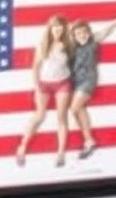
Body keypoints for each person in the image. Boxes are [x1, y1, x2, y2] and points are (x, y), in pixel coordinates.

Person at [69, 14, 116, 160]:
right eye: (78, 33)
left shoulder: (93, 42)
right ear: (74, 35)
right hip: (76, 81)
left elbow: (108, 29)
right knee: (79, 109)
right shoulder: (73, 47)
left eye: (84, 32)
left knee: (74, 108)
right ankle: (89, 141)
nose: (82, 35)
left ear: (89, 32)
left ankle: (88, 140)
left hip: (88, 80)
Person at [15, 15, 73, 167]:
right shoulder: (43, 44)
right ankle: (22, 146)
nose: (58, 29)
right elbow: (35, 67)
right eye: (56, 26)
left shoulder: (68, 43)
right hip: (44, 84)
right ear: (50, 28)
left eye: (61, 26)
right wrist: (37, 86)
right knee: (40, 115)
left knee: (62, 117)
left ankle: (61, 153)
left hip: (63, 83)